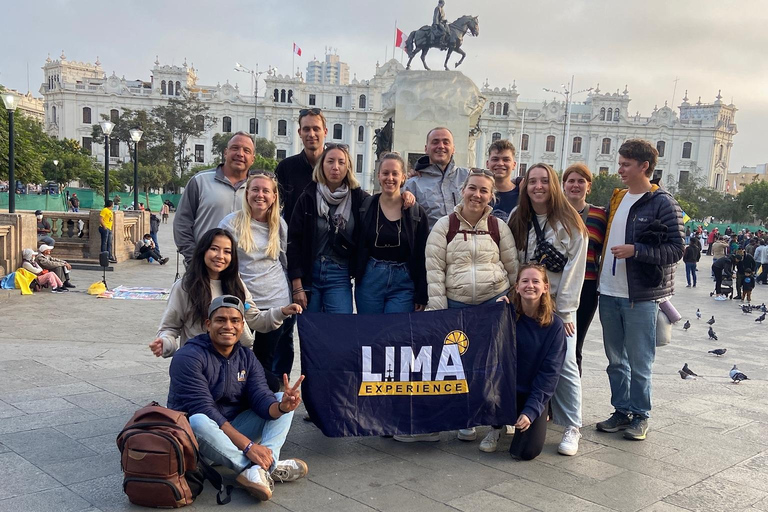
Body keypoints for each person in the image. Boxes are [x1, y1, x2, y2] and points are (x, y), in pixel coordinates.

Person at [396, 169, 517, 443]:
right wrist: (438, 311)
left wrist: (512, 302)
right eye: (472, 188)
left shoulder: (499, 227)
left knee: (490, 363)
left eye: (484, 190)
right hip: (456, 304)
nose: (477, 195)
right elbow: (435, 271)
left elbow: (512, 268)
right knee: (460, 366)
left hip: (492, 305)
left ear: (491, 196)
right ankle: (465, 418)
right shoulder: (444, 226)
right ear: (463, 190)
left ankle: (492, 417)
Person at [166, 295, 308, 502]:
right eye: (220, 320)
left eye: (234, 321)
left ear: (242, 326)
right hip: (198, 443)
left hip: (232, 433)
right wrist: (249, 447)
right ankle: (257, 468)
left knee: (279, 397)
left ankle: (263, 467)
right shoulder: (188, 357)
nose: (228, 326)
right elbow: (204, 408)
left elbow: (261, 397)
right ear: (208, 324)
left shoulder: (246, 357)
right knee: (197, 420)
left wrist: (282, 407)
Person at [596, 139, 684, 441]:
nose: (619, 169)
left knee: (640, 361)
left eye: (625, 165)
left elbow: (676, 249)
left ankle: (640, 415)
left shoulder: (663, 202)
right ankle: (621, 410)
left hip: (641, 295)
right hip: (608, 292)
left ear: (644, 166)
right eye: (620, 163)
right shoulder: (618, 198)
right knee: (615, 360)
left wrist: (637, 250)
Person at [508, 163, 587, 455]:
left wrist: (563, 311)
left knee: (565, 364)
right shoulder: (519, 217)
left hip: (558, 305)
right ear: (525, 187)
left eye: (544, 181)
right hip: (525, 301)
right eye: (532, 182)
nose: (538, 186)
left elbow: (575, 268)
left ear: (552, 185)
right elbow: (514, 260)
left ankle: (572, 425)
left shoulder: (570, 220)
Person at [149, 228, 298, 368]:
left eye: (227, 252)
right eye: (214, 249)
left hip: (234, 362)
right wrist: (165, 343)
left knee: (269, 385)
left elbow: (255, 319)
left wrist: (281, 312)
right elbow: (169, 327)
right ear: (203, 251)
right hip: (199, 361)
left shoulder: (236, 284)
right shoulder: (185, 287)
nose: (220, 256)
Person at [477, 264, 566, 459]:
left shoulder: (555, 327)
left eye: (536, 281)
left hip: (531, 392)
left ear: (545, 288)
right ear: (516, 287)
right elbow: (483, 347)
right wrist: (495, 314)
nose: (530, 285)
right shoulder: (507, 315)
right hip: (503, 390)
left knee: (526, 452)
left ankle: (524, 418)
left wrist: (531, 411)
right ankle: (496, 426)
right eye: (525, 281)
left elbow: (549, 375)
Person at [219, 171, 300, 380]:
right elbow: (220, 261)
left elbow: (286, 261)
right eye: (255, 189)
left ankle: (273, 403)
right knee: (235, 357)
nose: (260, 195)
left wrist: (296, 290)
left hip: (276, 301)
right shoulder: (231, 223)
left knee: (268, 362)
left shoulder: (279, 225)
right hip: (242, 301)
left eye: (266, 191)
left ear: (274, 197)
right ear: (246, 194)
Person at [287, 144, 369, 314]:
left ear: (348, 167)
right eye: (330, 161)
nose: (335, 167)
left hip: (339, 273)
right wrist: (297, 285)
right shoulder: (308, 197)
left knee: (339, 330)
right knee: (311, 334)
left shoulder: (359, 198)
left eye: (341, 162)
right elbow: (293, 241)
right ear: (321, 166)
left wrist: (405, 195)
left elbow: (385, 204)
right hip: (311, 272)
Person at [355, 152, 429, 314]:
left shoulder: (416, 212)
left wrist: (421, 294)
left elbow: (422, 255)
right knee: (371, 332)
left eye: (395, 174)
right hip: (370, 279)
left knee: (395, 334)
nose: (390, 178)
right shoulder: (365, 207)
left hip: (404, 281)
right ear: (378, 176)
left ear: (403, 177)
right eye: (385, 173)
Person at [174, 132, 256, 266]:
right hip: (203, 268)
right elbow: (182, 224)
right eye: (235, 148)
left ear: (253, 158)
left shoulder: (258, 189)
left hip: (244, 271)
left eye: (246, 150)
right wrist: (194, 258)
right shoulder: (200, 181)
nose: (240, 154)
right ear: (225, 152)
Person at [562, 163, 607, 375]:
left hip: (587, 287)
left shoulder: (600, 215)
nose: (575, 185)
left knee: (575, 343)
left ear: (588, 187)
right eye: (571, 180)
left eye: (581, 181)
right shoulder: (554, 212)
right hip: (557, 284)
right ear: (563, 185)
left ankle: (571, 400)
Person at [404, 127, 469, 229]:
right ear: (426, 149)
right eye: (435, 142)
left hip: (464, 242)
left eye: (446, 142)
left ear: (453, 149)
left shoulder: (468, 177)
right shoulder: (412, 185)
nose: (441, 146)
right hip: (429, 243)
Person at [276, 109, 327, 226]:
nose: (311, 134)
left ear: (325, 131)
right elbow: (272, 207)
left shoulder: (335, 169)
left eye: (316, 129)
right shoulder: (285, 167)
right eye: (306, 129)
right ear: (299, 132)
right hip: (293, 240)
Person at [487, 139, 521, 222]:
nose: (500, 163)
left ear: (514, 165)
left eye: (506, 160)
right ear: (487, 164)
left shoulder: (523, 194)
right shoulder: (479, 194)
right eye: (495, 159)